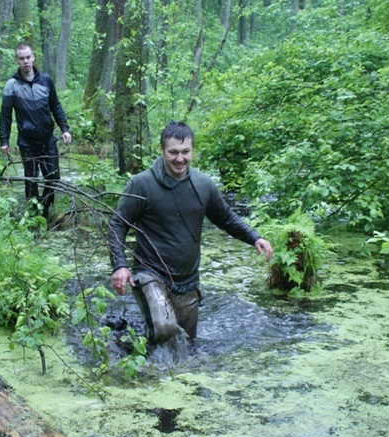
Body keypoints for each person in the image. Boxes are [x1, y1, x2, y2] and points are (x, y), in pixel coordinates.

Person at [108, 121, 273, 359]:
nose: (180, 158)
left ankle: (140, 359)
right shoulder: (142, 184)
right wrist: (120, 265)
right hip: (149, 273)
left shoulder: (203, 184)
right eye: (173, 152)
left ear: (192, 151)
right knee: (164, 328)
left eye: (185, 152)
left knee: (186, 346)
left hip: (187, 280)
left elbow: (226, 217)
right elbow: (117, 224)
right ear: (162, 150)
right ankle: (135, 367)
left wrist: (255, 237)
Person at [0, 43, 72, 220]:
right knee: (31, 179)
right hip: (27, 142)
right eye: (21, 58)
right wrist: (4, 140)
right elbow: (5, 115)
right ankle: (33, 214)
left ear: (33, 58)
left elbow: (55, 106)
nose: (25, 61)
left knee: (53, 177)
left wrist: (64, 129)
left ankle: (45, 211)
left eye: (28, 57)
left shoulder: (45, 80)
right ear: (17, 60)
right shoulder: (12, 85)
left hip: (47, 139)